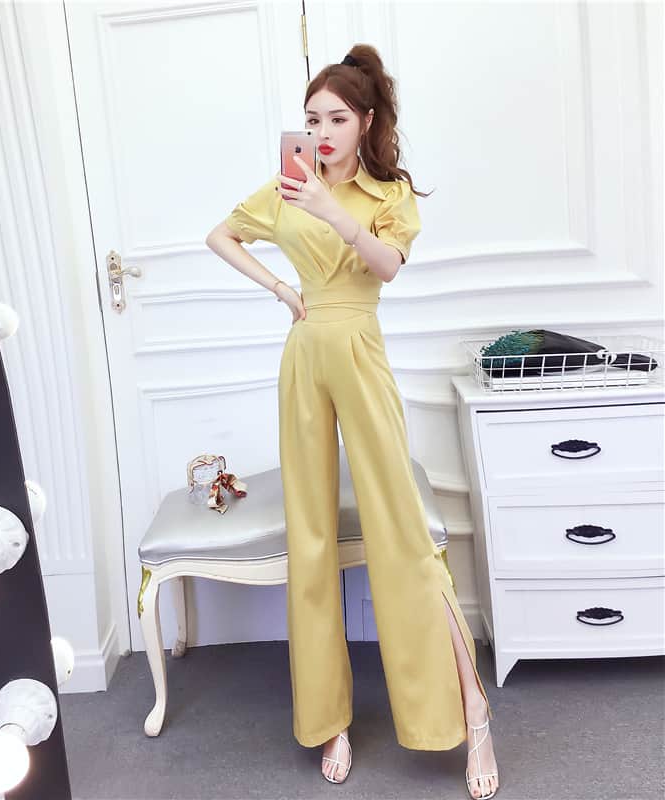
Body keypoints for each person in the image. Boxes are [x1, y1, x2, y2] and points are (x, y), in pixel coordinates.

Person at [205, 45, 499, 799]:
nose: (322, 132)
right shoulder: (286, 186)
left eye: (336, 118)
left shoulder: (386, 193)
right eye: (311, 119)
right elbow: (221, 235)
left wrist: (331, 208)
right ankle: (329, 717)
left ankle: (470, 713)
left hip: (360, 349)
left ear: (365, 121)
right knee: (310, 539)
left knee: (403, 536)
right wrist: (281, 289)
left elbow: (386, 267)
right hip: (305, 354)